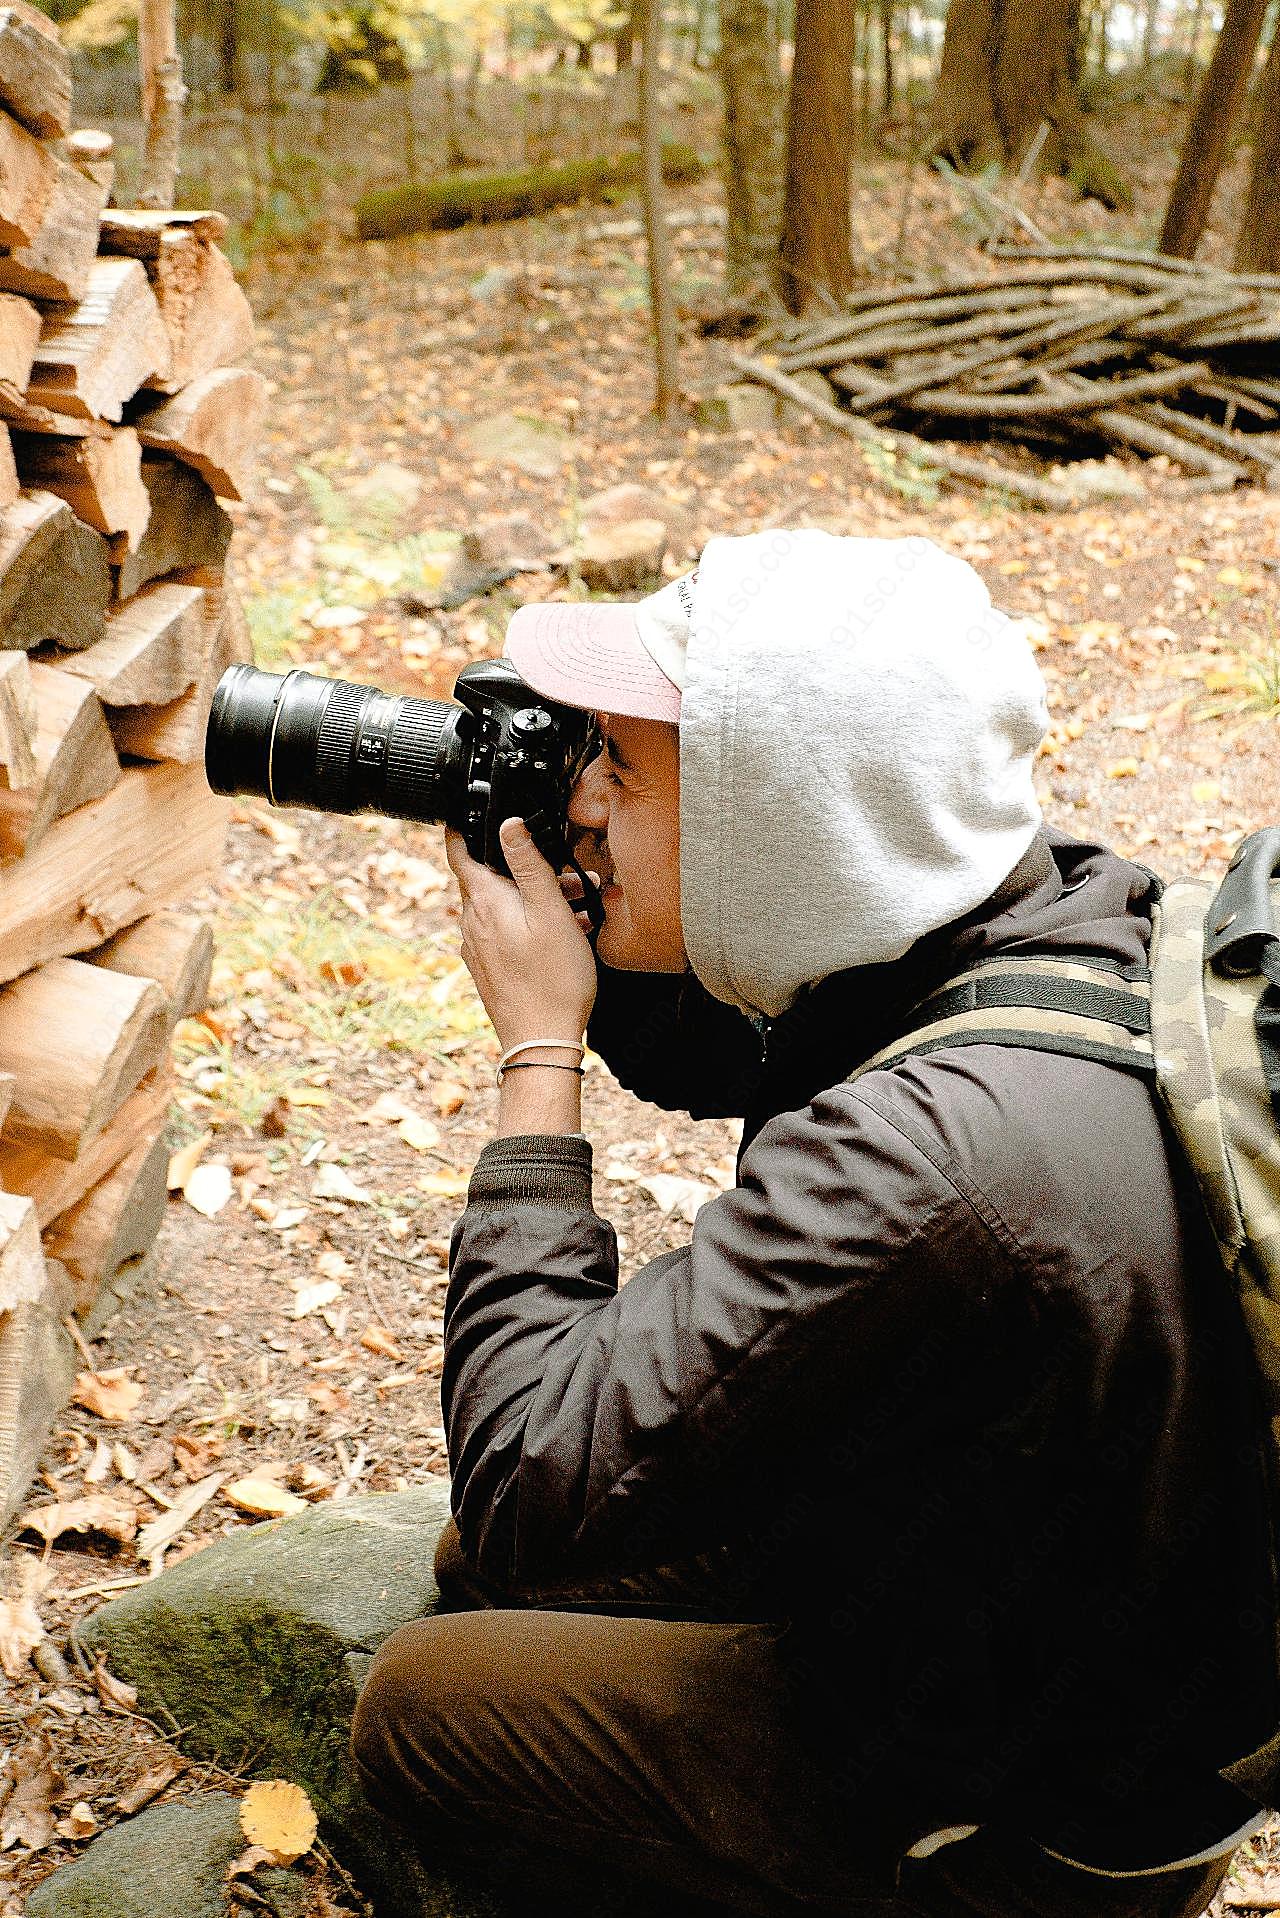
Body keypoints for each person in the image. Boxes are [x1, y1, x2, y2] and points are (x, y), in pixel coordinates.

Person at [351, 530, 1278, 1918]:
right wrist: (603, 924)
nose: (583, 799)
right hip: (1054, 1584)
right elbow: (751, 1041)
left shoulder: (933, 1166)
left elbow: (528, 1474)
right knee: (470, 1572)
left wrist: (536, 1049)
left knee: (425, 1702)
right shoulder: (1057, 908)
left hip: (1041, 1816)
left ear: (766, 827)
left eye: (622, 768)